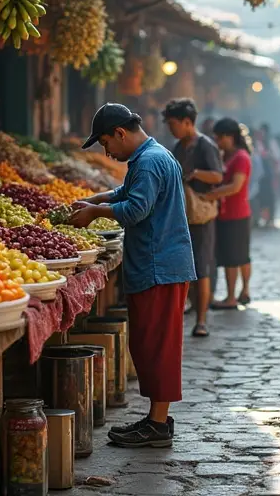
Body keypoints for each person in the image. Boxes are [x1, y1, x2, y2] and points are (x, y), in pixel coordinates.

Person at [69, 103, 195, 448]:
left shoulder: (151, 161)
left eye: (106, 144)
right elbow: (128, 194)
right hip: (156, 265)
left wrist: (96, 212)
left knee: (158, 347)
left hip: (161, 267)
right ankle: (155, 420)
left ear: (120, 133)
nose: (107, 152)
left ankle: (157, 425)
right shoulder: (150, 157)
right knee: (147, 344)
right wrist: (97, 199)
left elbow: (137, 208)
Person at [163, 98, 224, 338]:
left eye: (173, 123)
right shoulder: (178, 147)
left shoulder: (205, 145)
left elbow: (218, 176)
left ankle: (201, 320)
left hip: (201, 214)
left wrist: (197, 174)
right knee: (187, 266)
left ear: (187, 122)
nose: (171, 129)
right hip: (183, 215)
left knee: (202, 267)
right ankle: (190, 310)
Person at [206, 118, 254, 309]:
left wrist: (211, 194)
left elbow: (236, 186)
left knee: (235, 258)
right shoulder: (226, 156)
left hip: (237, 213)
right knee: (236, 256)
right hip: (226, 213)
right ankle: (241, 292)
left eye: (219, 137)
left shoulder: (241, 157)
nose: (217, 142)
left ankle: (233, 296)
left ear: (229, 136)